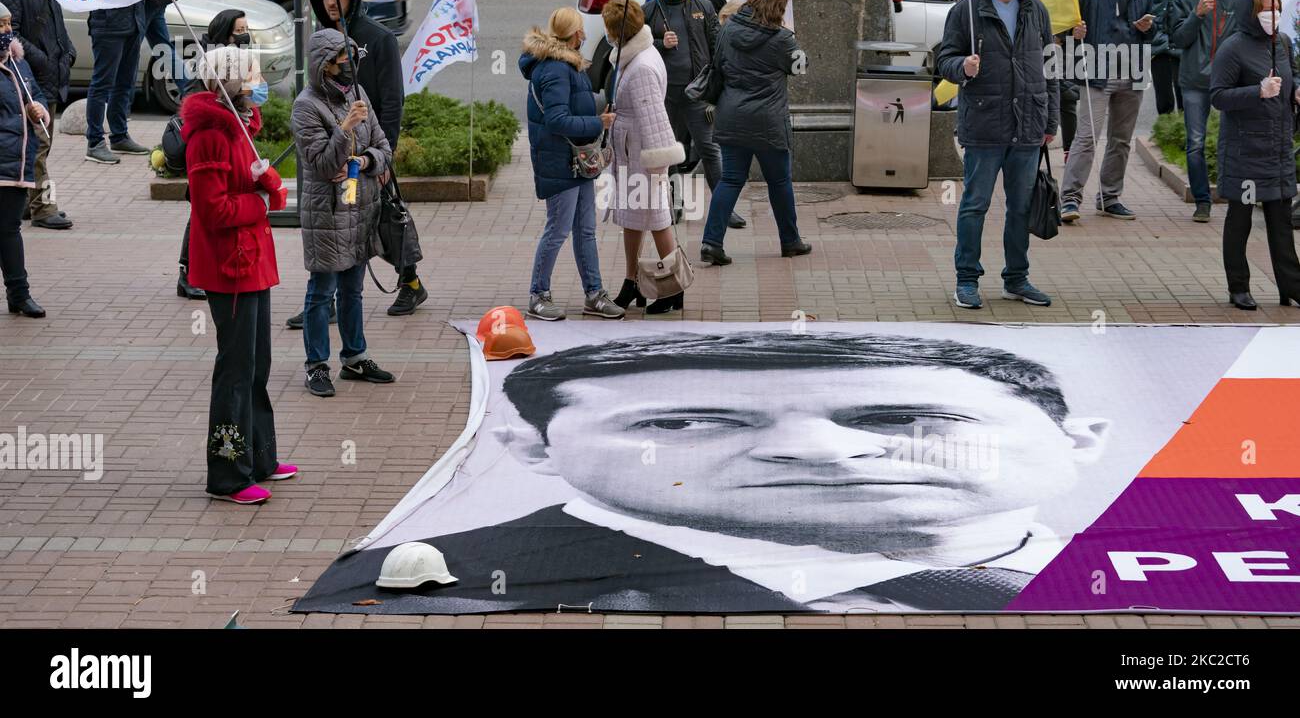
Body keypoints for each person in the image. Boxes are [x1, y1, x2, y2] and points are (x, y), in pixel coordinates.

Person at [301, 331, 1111, 614]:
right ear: (534, 446)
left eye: (896, 417)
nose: (813, 452)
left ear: (1080, 439)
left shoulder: (1146, 560)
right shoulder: (449, 580)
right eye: (683, 421)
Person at [184, 47, 295, 504]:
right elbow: (211, 210)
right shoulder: (209, 135)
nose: (258, 82)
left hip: (251, 261)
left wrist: (265, 184)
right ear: (228, 83)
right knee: (235, 369)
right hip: (228, 265)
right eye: (250, 76)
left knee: (257, 364)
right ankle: (228, 472)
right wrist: (261, 203)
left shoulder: (241, 126)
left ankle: (260, 456)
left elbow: (245, 187)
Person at [937, 0, 1058, 310]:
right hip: (985, 125)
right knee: (975, 204)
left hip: (1028, 125)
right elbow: (945, 60)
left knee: (1021, 206)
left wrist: (1050, 118)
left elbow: (1049, 66)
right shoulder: (967, 10)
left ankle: (1016, 279)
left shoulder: (1035, 8)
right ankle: (967, 279)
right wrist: (963, 68)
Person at [299, 0, 426, 321]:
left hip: (370, 154)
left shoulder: (379, 38)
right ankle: (327, 299)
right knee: (339, 222)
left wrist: (384, 158)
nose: (330, 3)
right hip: (336, 153)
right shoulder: (322, 39)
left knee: (385, 217)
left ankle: (411, 282)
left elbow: (392, 100)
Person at [292, 28, 397, 398]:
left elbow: (383, 145)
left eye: (353, 61)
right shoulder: (306, 105)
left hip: (359, 206)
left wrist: (366, 159)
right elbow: (321, 165)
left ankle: (355, 356)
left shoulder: (357, 92)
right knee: (322, 291)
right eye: (342, 62)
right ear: (325, 66)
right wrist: (345, 128)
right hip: (328, 213)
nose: (350, 69)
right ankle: (317, 365)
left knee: (353, 289)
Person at [520, 7, 623, 322]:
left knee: (586, 230)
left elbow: (569, 105)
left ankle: (594, 294)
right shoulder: (555, 69)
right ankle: (538, 295)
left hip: (575, 161)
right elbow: (557, 119)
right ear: (574, 34)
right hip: (559, 161)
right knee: (559, 228)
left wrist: (594, 109)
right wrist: (598, 122)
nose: (585, 34)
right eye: (582, 29)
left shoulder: (568, 65)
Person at [700, 0, 811, 266]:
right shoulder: (782, 39)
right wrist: (794, 44)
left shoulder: (728, 29)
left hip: (732, 116)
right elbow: (800, 68)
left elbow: (718, 67)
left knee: (730, 180)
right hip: (768, 122)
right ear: (777, 9)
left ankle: (711, 243)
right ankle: (790, 241)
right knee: (779, 182)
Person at [1210, 0, 1300, 311]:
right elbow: (1218, 96)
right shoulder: (1233, 48)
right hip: (1245, 153)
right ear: (1251, 13)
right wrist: (1256, 92)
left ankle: (1291, 286)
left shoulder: (1284, 43)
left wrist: (1295, 92)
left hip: (1277, 152)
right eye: (1265, 9)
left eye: (1276, 9)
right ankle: (1238, 287)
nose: (1272, 15)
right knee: (1241, 220)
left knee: (1281, 222)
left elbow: (1293, 77)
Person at [643, 0, 746, 231]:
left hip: (697, 94)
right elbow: (636, 46)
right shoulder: (650, 11)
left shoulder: (703, 6)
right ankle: (674, 204)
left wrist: (719, 88)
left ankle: (725, 208)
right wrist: (658, 42)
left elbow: (718, 46)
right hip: (665, 94)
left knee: (710, 150)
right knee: (671, 151)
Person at [1059, 0, 1155, 224]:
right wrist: (1073, 33)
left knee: (1121, 140)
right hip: (1096, 72)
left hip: (1131, 71)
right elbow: (1064, 27)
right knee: (1087, 137)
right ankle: (1070, 199)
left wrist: (1147, 28)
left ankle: (1110, 197)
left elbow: (1153, 34)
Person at [602, 0, 688, 315]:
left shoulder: (641, 67)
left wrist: (657, 163)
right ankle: (632, 281)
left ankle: (674, 287)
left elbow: (653, 117)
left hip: (643, 151)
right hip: (633, 148)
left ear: (616, 32)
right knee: (634, 217)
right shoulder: (636, 56)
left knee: (657, 218)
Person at [177, 10, 265, 301]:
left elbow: (253, 106)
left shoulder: (240, 63)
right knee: (202, 214)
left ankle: (202, 270)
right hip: (214, 160)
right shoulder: (212, 67)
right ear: (226, 33)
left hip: (234, 155)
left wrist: (249, 108)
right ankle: (188, 272)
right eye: (240, 29)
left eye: (247, 28)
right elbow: (195, 103)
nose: (245, 34)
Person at [1169, 0, 1244, 224]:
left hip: (1231, 81)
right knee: (1196, 143)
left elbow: (1247, 34)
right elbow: (1178, 38)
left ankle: (1233, 193)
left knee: (1234, 140)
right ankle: (1202, 201)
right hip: (1194, 81)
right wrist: (1196, 14)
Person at [0, 0, 75, 230]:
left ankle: (27, 203)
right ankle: (44, 208)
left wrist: (68, 53)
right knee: (38, 148)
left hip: (49, 82)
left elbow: (58, 30)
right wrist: (43, 59)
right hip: (30, 80)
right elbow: (13, 34)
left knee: (44, 147)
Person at [0, 12, 49, 319]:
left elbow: (37, 95)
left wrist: (39, 110)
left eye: (8, 24)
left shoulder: (18, 62)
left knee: (9, 229)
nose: (6, 30)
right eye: (0, 24)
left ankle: (19, 294)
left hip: (16, 163)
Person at [83, 0, 148, 164]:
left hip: (133, 22)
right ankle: (95, 142)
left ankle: (119, 136)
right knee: (102, 85)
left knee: (125, 83)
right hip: (108, 25)